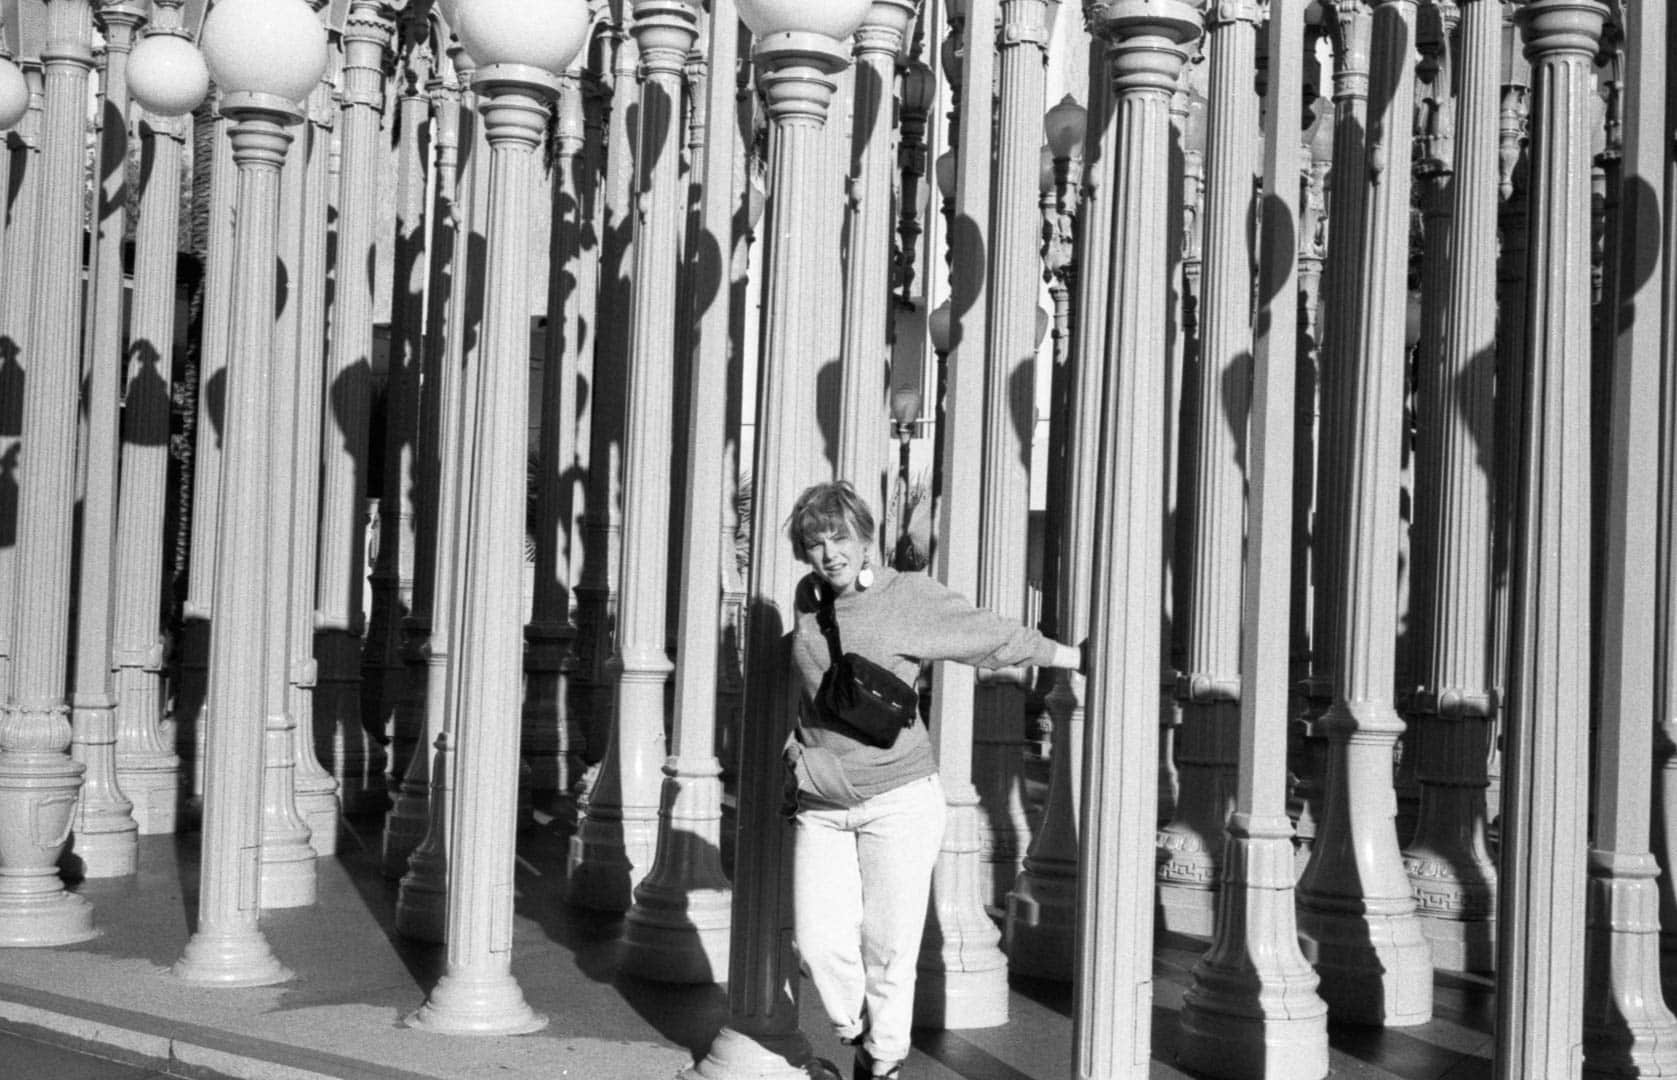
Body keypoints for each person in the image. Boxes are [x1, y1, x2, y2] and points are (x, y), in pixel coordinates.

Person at [781, 481, 1082, 1080]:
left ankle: (883, 1061)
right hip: (822, 801)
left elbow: (986, 634)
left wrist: (1070, 658)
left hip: (899, 799)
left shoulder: (906, 597)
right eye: (815, 542)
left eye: (840, 537)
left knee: (889, 948)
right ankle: (858, 1030)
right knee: (817, 942)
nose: (830, 552)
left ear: (867, 539)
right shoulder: (807, 602)